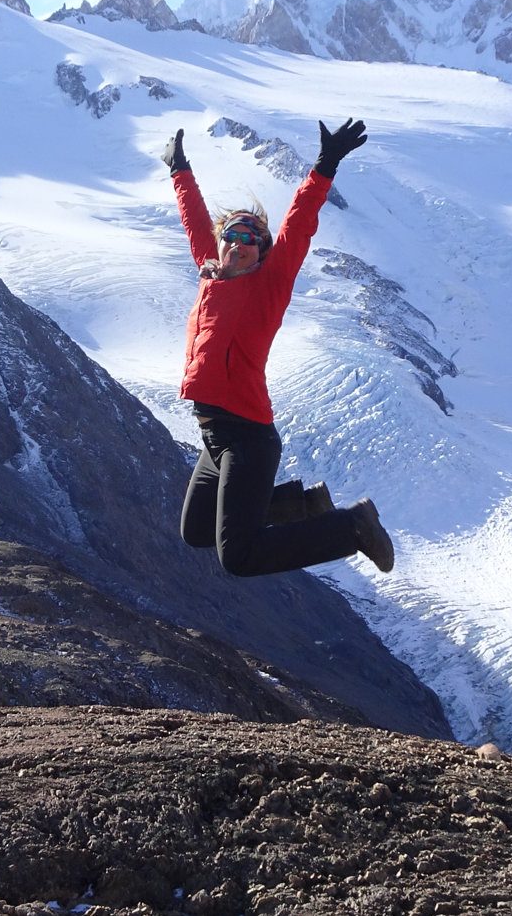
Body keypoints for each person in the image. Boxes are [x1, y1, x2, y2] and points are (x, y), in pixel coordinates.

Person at [168, 119, 395, 576]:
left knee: (239, 556)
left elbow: (298, 225)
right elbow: (195, 222)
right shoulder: (210, 272)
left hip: (247, 437)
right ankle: (300, 505)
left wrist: (325, 165)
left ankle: (352, 525)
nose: (239, 243)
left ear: (263, 250)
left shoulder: (268, 285)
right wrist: (179, 170)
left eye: (252, 238)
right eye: (232, 234)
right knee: (196, 532)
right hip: (215, 436)